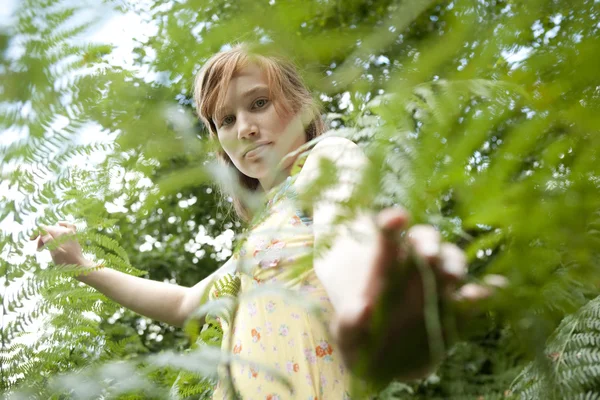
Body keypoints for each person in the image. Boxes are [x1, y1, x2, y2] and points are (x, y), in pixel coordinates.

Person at [32, 44, 493, 399]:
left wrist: (365, 305)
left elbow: (341, 239)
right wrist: (84, 265)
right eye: (225, 120)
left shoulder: (327, 157)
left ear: (300, 106)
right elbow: (184, 304)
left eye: (258, 104)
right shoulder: (264, 233)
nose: (244, 129)